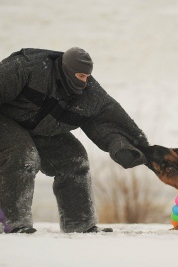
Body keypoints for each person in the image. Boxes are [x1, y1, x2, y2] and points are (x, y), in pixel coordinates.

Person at [0, 47, 149, 234]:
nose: (84, 81)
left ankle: (80, 225)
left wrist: (130, 148)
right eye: (80, 75)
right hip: (4, 120)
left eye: (87, 76)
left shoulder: (89, 94)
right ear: (67, 71)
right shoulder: (28, 67)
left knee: (74, 159)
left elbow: (109, 120)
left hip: (37, 128)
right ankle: (11, 224)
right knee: (22, 154)